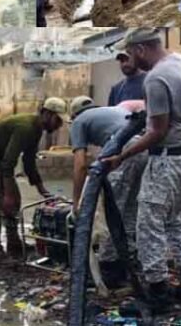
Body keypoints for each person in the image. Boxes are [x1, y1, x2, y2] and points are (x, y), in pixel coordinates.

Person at [101, 28, 181, 310]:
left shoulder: (155, 78)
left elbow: (157, 131)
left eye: (130, 53)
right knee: (173, 219)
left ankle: (158, 294)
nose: (129, 59)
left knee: (148, 224)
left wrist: (122, 155)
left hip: (165, 158)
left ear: (140, 49)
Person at [0, 97, 66, 261]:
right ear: (47, 114)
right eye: (58, 120)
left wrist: (43, 191)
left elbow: (29, 163)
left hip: (0, 160)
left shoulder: (36, 130)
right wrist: (7, 194)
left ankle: (14, 243)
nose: (59, 126)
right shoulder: (26, 128)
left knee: (14, 202)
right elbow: (9, 162)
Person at [67, 96, 147, 284]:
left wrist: (76, 202)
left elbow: (79, 165)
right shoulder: (111, 112)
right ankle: (130, 262)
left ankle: (110, 267)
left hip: (125, 150)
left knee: (113, 210)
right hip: (144, 148)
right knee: (129, 211)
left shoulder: (79, 122)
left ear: (74, 114)